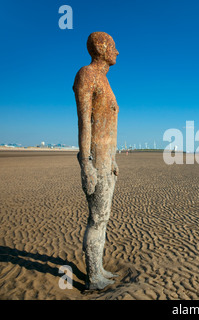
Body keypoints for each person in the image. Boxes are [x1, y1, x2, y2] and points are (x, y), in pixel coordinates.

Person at [73, 31, 120, 290]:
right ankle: (93, 277)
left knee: (104, 217)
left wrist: (112, 160)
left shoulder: (104, 80)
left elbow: (108, 126)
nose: (117, 51)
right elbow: (84, 123)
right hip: (95, 159)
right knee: (97, 217)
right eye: (112, 46)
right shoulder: (87, 75)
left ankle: (99, 268)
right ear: (100, 48)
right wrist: (86, 163)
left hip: (107, 160)